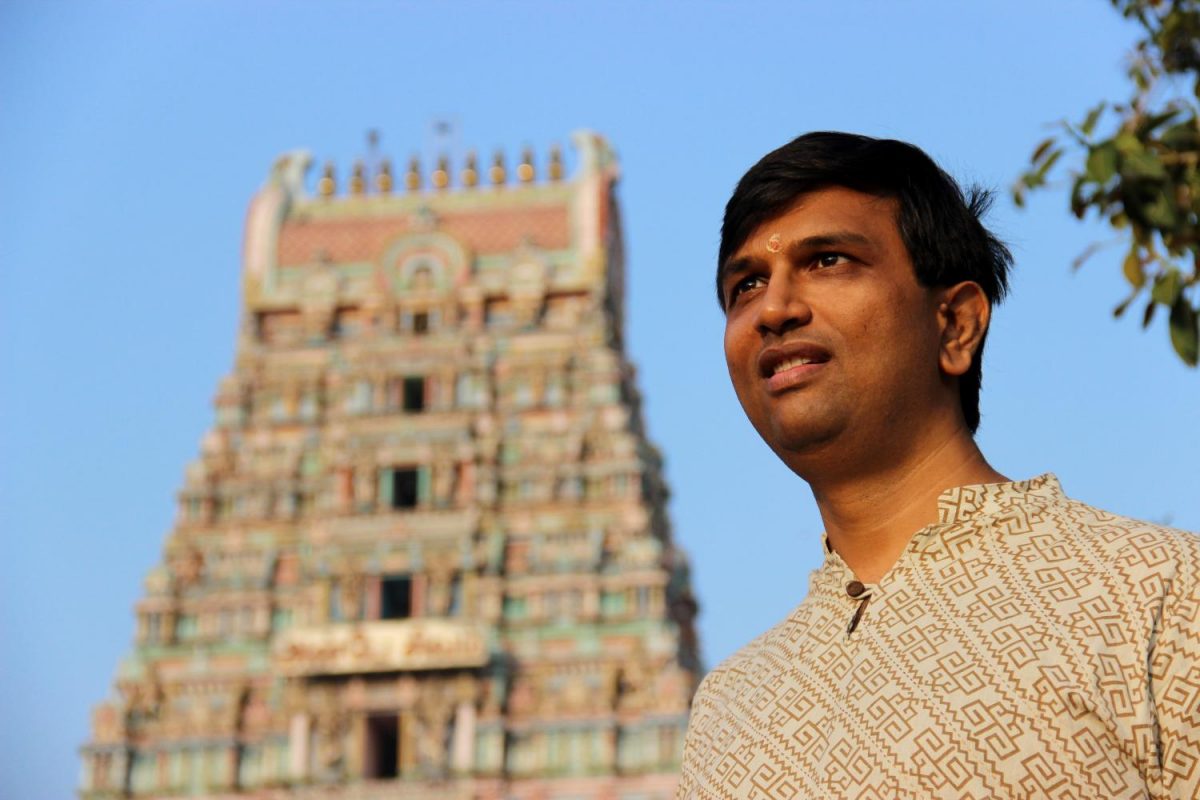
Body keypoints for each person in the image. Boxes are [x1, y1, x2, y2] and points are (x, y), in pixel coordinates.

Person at [676, 132, 1200, 799]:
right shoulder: (729, 706)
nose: (774, 309)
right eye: (746, 284)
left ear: (954, 324)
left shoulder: (1159, 595)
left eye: (828, 260)